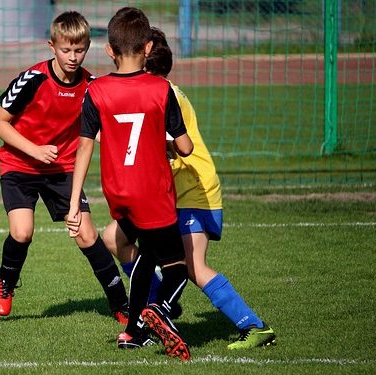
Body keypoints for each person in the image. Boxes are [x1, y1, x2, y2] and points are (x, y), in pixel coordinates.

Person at [101, 26, 277, 350]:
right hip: (163, 194)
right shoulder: (148, 93)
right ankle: (156, 310)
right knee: (115, 236)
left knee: (192, 267)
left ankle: (254, 326)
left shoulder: (165, 95)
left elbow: (180, 146)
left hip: (193, 191)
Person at [66, 7, 194, 361]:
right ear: (149, 46)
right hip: (154, 193)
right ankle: (162, 312)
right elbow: (185, 146)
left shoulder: (96, 91)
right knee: (178, 267)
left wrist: (74, 203)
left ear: (108, 50)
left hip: (119, 193)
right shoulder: (160, 89)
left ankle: (132, 332)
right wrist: (166, 143)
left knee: (146, 256)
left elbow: (85, 147)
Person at [0, 11, 129, 325]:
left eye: (79, 50)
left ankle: (122, 305)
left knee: (86, 233)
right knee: (22, 232)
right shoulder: (33, 79)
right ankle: (6, 282)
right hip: (19, 164)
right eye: (66, 50)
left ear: (87, 47)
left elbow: (104, 132)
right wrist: (35, 150)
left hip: (63, 170)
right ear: (51, 46)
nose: (73, 57)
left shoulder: (92, 86)